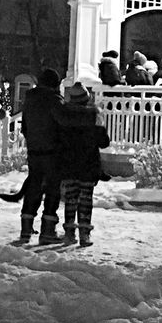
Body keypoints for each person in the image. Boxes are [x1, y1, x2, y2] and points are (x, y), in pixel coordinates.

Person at [55, 83, 111, 246]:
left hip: (68, 163)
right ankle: (84, 234)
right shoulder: (94, 115)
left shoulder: (62, 116)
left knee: (71, 197)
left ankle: (69, 232)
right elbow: (103, 142)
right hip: (88, 163)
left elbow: (57, 139)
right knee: (86, 198)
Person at [20, 68, 65, 244]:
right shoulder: (54, 101)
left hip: (34, 151)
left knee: (34, 186)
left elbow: (25, 126)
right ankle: (48, 229)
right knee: (52, 190)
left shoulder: (30, 100)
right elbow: (63, 124)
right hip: (52, 152)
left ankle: (26, 226)